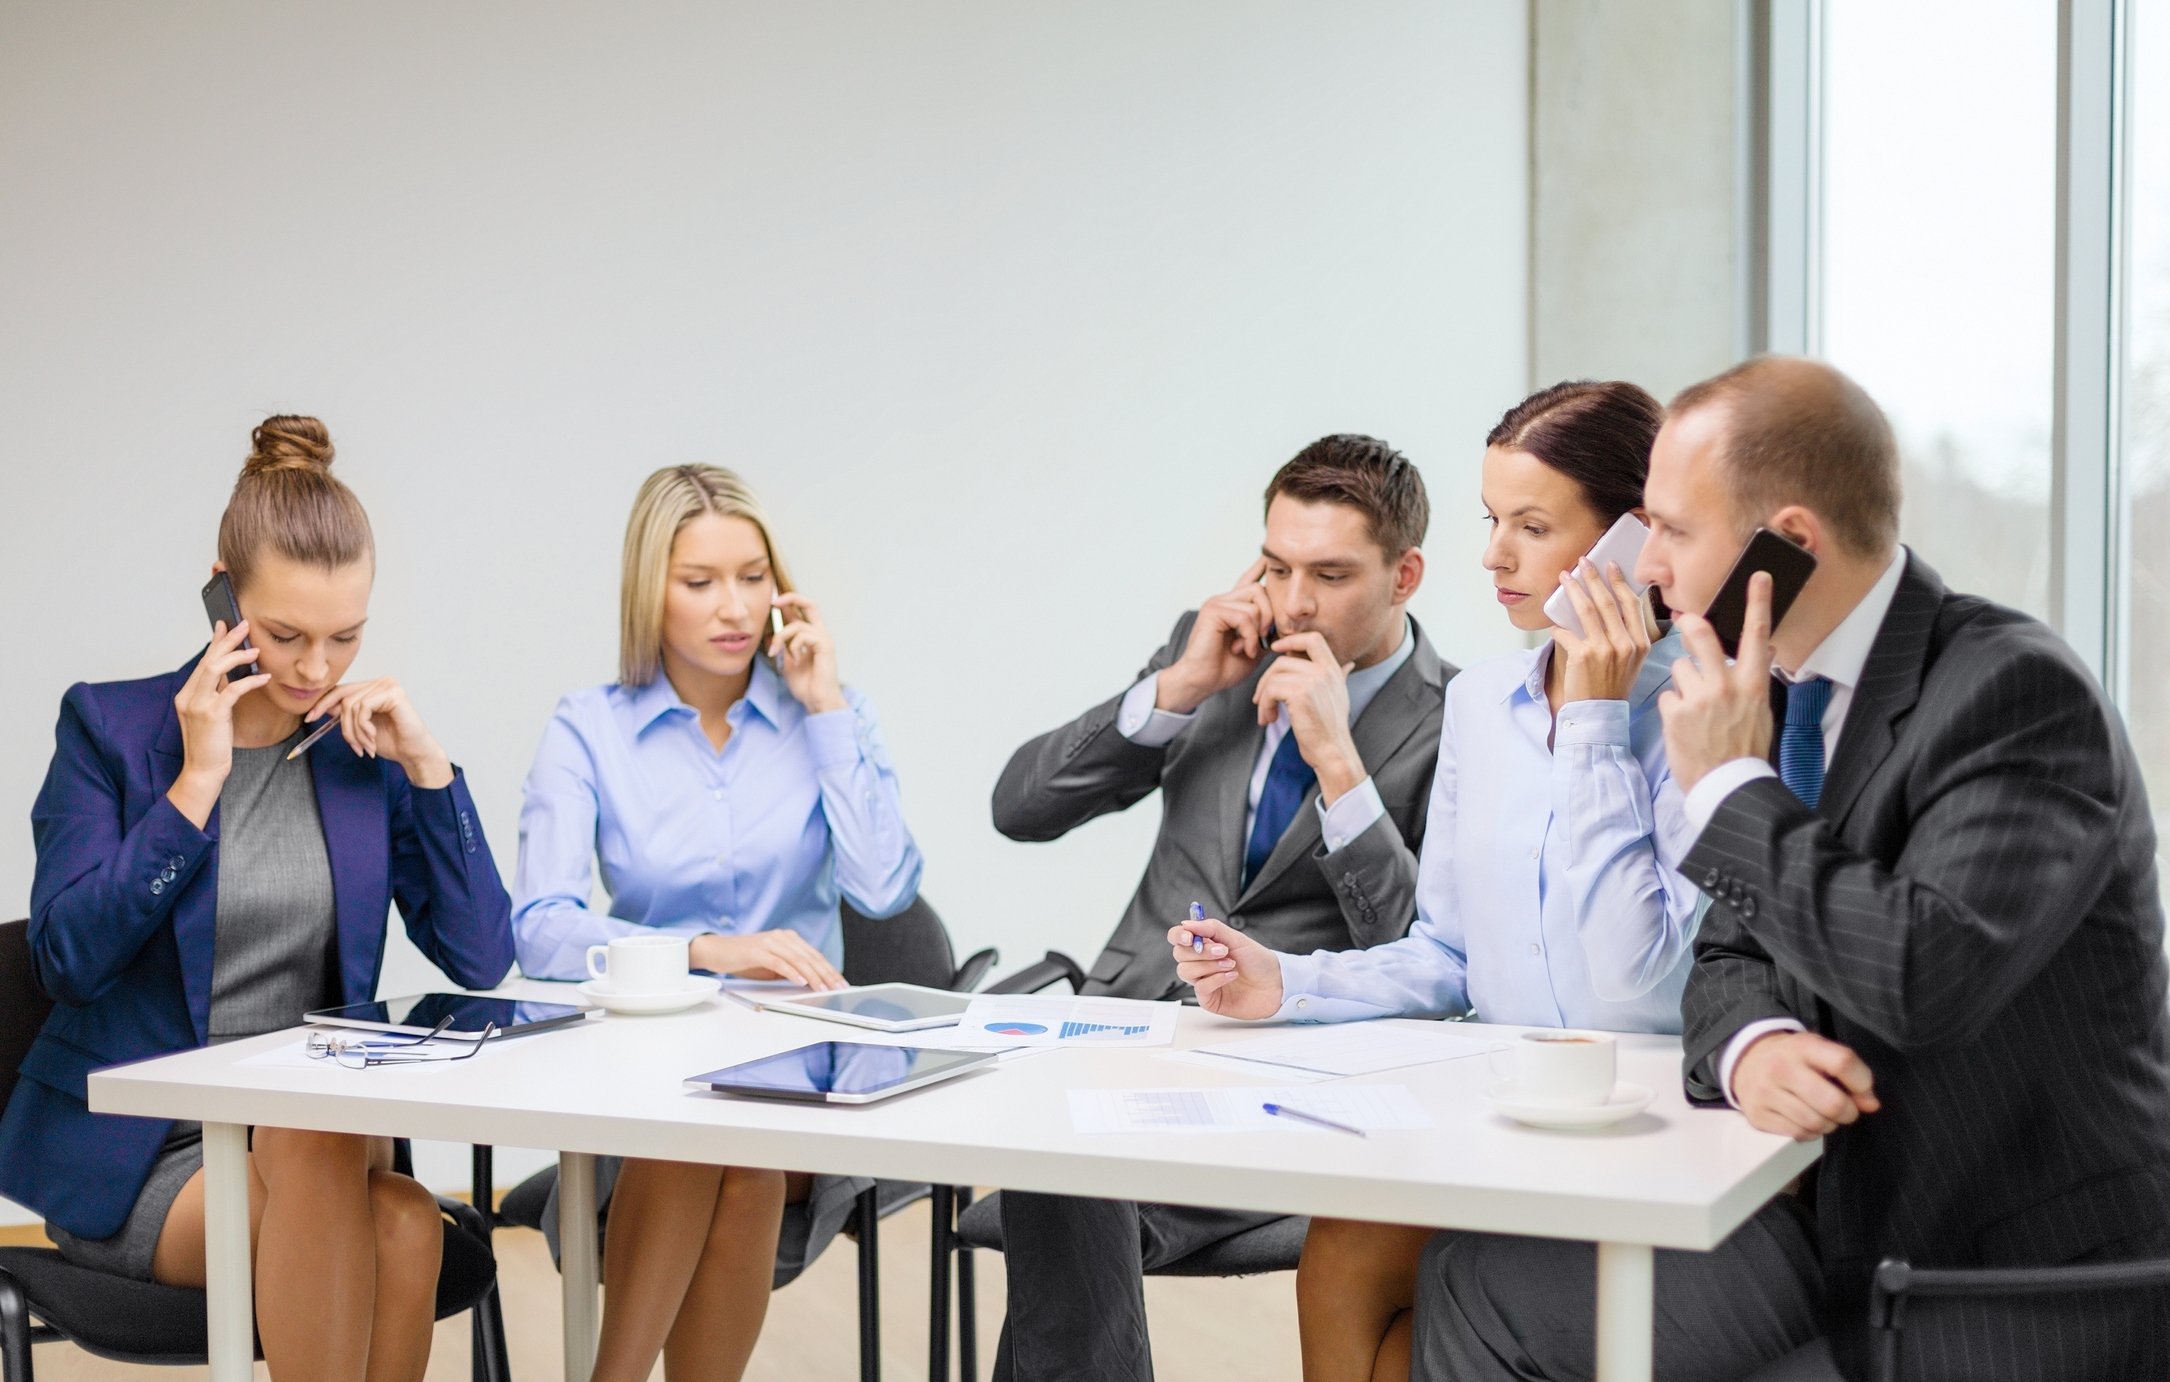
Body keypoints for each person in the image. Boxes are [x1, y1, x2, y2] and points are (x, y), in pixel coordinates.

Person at [1410, 357, 2170, 1382]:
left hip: (2005, 1268)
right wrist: (1753, 1043)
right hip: (1837, 1219)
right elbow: (1726, 955)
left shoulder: (2013, 692)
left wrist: (1728, 783)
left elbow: (1920, 974)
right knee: (1475, 1281)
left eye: (1672, 530)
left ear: (1790, 543)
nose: (1649, 567)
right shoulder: (1777, 689)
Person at [1170, 381, 1713, 1382]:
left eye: (1532, 525)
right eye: (1491, 519)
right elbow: (1447, 954)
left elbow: (1639, 988)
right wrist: (1284, 982)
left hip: (1647, 1132)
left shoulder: (1703, 702)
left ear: (1635, 540)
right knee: (1342, 1251)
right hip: (1504, 1116)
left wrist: (1594, 719)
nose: (1494, 555)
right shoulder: (1482, 702)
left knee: (1409, 1356)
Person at [0, 416, 516, 1382]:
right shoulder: (109, 730)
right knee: (348, 1163)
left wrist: (431, 769)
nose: (317, 670)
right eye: (285, 635)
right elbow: (65, 961)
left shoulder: (366, 760)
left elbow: (484, 956)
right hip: (142, 1159)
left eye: (345, 638)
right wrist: (194, 787)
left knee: (405, 1218)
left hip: (313, 1145)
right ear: (223, 595)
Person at [989, 433, 1453, 1382]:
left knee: (1061, 1172)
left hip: (1291, 1075)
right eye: (1277, 566)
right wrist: (1177, 689)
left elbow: (1426, 954)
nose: (1293, 603)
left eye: (1330, 574)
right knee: (1059, 1153)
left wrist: (1340, 764)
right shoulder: (1210, 655)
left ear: (1405, 575)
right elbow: (1019, 810)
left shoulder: (1457, 715)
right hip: (1128, 1039)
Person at [511, 463, 923, 1382]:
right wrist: (702, 952)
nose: (734, 606)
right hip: (648, 1069)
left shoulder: (832, 715)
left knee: (730, 1137)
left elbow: (884, 888)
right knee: (709, 1132)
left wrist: (824, 710)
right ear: (648, 592)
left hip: (800, 1070)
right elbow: (539, 928)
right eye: (700, 582)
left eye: (753, 576)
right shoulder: (589, 730)